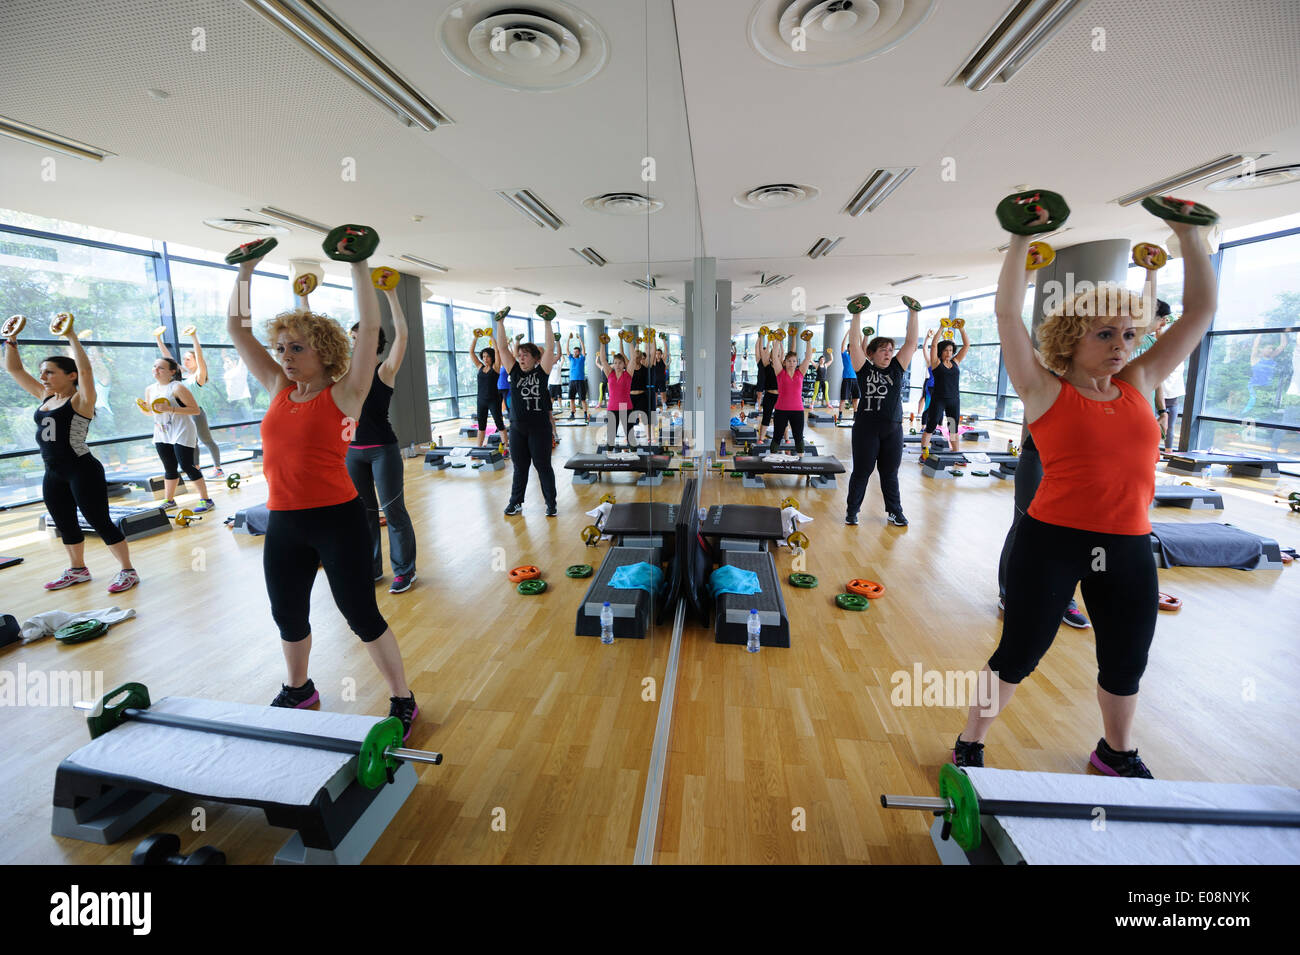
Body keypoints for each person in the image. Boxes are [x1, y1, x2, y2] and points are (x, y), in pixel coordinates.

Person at [954, 212, 1217, 778]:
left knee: (1126, 660)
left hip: (1127, 544)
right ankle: (970, 742)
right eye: (1105, 334)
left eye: (1128, 334)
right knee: (1019, 654)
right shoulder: (1042, 389)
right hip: (1052, 541)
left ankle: (1116, 752)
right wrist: (1021, 240)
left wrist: (1193, 239)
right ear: (1072, 338)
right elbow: (1006, 313)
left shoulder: (1140, 384)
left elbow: (1199, 313)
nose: (1122, 346)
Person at [225, 237, 417, 739]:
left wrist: (359, 264)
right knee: (286, 611)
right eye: (281, 348)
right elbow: (236, 328)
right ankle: (299, 688)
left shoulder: (348, 391)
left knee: (360, 613)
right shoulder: (278, 388)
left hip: (338, 518)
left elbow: (372, 328)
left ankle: (402, 698)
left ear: (323, 351)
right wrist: (245, 271)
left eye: (296, 348)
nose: (285, 356)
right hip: (285, 520)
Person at [4, 320, 139, 593]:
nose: (43, 377)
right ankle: (78, 570)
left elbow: (87, 370)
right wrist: (10, 340)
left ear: (70, 376)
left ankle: (128, 571)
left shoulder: (80, 400)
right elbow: (14, 369)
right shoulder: (45, 396)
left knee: (98, 520)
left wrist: (71, 336)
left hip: (81, 469)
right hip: (52, 471)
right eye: (42, 373)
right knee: (63, 521)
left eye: (49, 373)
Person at [345, 287, 417, 595]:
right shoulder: (344, 373)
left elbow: (402, 335)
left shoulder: (385, 370)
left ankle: (404, 571)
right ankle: (372, 568)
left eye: (357, 338)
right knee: (363, 514)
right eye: (351, 339)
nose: (352, 343)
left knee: (393, 511)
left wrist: (390, 295)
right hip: (351, 452)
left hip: (382, 451)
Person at [844, 303, 919, 527]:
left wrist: (913, 313)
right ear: (872, 354)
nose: (888, 353)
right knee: (862, 472)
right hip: (866, 429)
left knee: (890, 473)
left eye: (890, 349)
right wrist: (856, 315)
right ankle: (852, 511)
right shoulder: (864, 369)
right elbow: (855, 344)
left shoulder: (898, 367)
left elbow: (912, 342)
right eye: (883, 349)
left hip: (893, 429)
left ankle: (895, 512)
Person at [497, 310, 558, 516]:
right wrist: (500, 323)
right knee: (519, 467)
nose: (521, 358)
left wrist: (548, 322)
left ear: (535, 359)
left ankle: (551, 503)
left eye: (525, 355)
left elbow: (550, 348)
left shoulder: (542, 373)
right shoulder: (513, 371)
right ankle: (516, 502)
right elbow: (502, 347)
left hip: (539, 429)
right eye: (519, 355)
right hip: (517, 428)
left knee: (542, 466)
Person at [142, 357, 215, 513]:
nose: (156, 369)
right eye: (154, 366)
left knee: (186, 465)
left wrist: (170, 409)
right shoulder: (149, 389)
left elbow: (195, 410)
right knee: (169, 467)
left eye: (161, 367)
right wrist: (144, 409)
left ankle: (206, 500)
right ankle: (169, 500)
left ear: (172, 371)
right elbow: (152, 412)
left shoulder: (177, 387)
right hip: (162, 432)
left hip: (182, 430)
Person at [155, 327, 223, 477]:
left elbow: (200, 358)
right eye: (184, 359)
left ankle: (218, 469)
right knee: (192, 443)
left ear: (195, 362)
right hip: (182, 414)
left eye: (188, 359)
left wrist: (194, 337)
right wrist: (158, 339)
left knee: (207, 440)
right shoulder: (181, 374)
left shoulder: (198, 376)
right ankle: (196, 468)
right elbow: (168, 357)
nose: (184, 361)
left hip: (197, 413)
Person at [921, 325, 970, 459]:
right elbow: (934, 344)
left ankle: (956, 453)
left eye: (950, 350)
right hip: (939, 399)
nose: (948, 353)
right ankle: (924, 453)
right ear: (941, 352)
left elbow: (966, 345)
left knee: (953, 428)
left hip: (954, 400)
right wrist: (941, 327)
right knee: (931, 425)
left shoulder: (956, 362)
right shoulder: (936, 363)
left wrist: (961, 329)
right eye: (945, 350)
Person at [770, 335, 815, 454]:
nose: (791, 363)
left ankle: (801, 460)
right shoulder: (780, 372)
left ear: (796, 362)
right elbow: (774, 356)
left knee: (798, 437)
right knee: (777, 436)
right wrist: (777, 341)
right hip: (781, 410)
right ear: (784, 362)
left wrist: (808, 341)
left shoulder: (800, 373)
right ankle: (772, 459)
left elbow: (808, 357)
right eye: (789, 361)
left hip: (798, 410)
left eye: (794, 361)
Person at [1152, 305, 1185, 451]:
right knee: (1158, 428)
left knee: (1169, 429)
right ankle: (1156, 452)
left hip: (1172, 398)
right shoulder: (1161, 358)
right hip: (1161, 399)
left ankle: (1168, 452)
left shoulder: (1179, 358)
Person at [470, 333, 505, 447]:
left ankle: (505, 447)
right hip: (481, 401)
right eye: (484, 356)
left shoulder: (496, 367)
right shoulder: (480, 367)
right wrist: (476, 338)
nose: (485, 358)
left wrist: (491, 337)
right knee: (481, 426)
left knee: (499, 424)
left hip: (493, 400)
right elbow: (471, 352)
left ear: (492, 357)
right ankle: (478, 448)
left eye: (488, 356)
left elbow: (497, 351)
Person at [595, 346, 634, 447]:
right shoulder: (610, 373)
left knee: (630, 434)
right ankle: (609, 455)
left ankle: (634, 456)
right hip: (612, 407)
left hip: (625, 406)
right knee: (611, 436)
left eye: (620, 363)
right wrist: (602, 343)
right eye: (615, 363)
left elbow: (633, 358)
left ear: (624, 364)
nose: (617, 365)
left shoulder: (628, 373)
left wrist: (630, 342)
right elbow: (603, 359)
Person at [756, 332, 779, 444]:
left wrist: (777, 341)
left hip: (780, 396)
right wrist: (768, 340)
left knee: (781, 418)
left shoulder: (781, 367)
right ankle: (761, 438)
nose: (775, 355)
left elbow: (781, 352)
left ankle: (786, 439)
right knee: (766, 417)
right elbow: (762, 351)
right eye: (772, 354)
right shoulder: (766, 364)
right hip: (769, 395)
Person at [837, 329, 862, 421]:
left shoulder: (857, 357)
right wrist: (847, 333)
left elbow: (861, 347)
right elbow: (842, 346)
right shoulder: (845, 356)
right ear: (848, 349)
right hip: (846, 379)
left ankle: (855, 415)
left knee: (856, 399)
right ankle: (840, 414)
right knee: (843, 399)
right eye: (850, 347)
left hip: (855, 379)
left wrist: (859, 334)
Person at [566, 334, 588, 419]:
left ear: (579, 352)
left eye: (576, 351)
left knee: (582, 399)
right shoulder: (571, 358)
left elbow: (583, 349)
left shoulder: (582, 358)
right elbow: (567, 349)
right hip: (572, 381)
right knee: (572, 399)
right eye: (574, 351)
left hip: (580, 381)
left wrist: (580, 339)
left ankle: (585, 413)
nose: (575, 352)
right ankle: (572, 413)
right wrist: (568, 339)